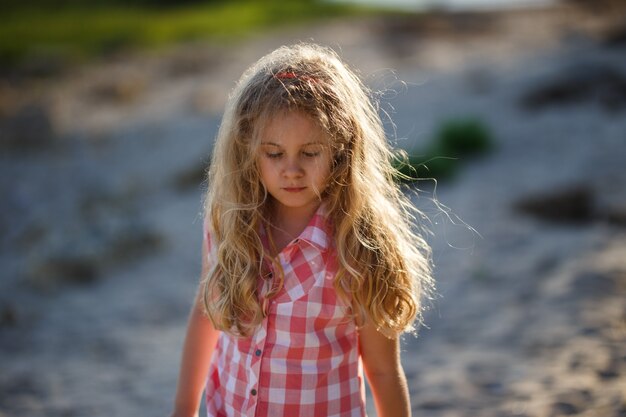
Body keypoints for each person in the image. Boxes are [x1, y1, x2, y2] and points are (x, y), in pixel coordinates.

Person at [170, 43, 434, 417]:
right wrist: (183, 408)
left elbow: (383, 370)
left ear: (341, 149)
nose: (291, 170)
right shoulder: (229, 219)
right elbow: (206, 309)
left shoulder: (360, 244)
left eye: (310, 153)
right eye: (274, 154)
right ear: (247, 149)